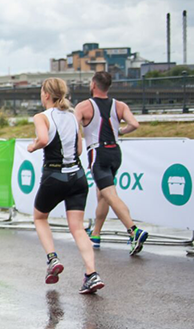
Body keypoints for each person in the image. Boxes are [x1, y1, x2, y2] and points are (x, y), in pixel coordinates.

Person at [29, 78, 104, 294]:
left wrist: (33, 146)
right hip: (78, 176)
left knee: (40, 217)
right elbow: (79, 149)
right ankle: (92, 274)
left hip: (54, 175)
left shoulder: (41, 117)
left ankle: (52, 259)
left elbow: (43, 139)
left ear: (45, 94)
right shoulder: (73, 117)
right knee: (78, 228)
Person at [74, 71, 148, 254]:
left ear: (93, 85)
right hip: (115, 152)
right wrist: (120, 131)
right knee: (103, 195)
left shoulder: (84, 106)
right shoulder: (120, 105)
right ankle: (96, 235)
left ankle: (133, 230)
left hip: (97, 153)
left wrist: (75, 150)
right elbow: (135, 125)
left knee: (109, 195)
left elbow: (74, 129)